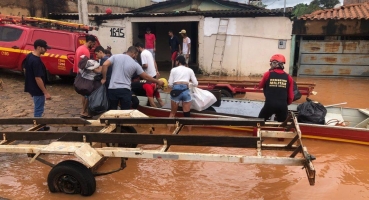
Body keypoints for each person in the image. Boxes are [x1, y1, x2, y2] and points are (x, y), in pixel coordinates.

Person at [101, 46, 164, 110]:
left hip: (113, 89)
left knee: (112, 111)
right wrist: (158, 81)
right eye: (136, 55)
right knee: (125, 112)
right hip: (125, 90)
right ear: (134, 54)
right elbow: (146, 77)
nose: (136, 57)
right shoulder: (135, 64)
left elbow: (105, 65)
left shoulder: (115, 56)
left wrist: (104, 78)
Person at [256, 54, 294, 122]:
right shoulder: (289, 77)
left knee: (259, 122)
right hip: (282, 106)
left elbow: (260, 86)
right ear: (282, 64)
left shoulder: (267, 74)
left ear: (273, 64)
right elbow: (291, 96)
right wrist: (285, 104)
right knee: (283, 125)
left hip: (269, 104)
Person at [24, 39, 52, 130]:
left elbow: (25, 69)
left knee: (38, 107)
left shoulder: (29, 56)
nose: (46, 50)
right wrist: (45, 92)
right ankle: (38, 128)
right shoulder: (36, 61)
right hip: (37, 89)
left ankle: (40, 125)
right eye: (45, 48)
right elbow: (38, 78)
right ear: (39, 48)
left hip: (31, 86)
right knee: (39, 109)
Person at [168, 55, 198, 123]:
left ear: (178, 61)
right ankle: (189, 132)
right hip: (186, 91)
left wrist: (175, 87)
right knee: (187, 115)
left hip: (176, 91)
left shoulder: (173, 70)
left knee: (172, 113)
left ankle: (169, 132)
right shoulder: (190, 70)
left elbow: (170, 84)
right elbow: (196, 83)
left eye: (176, 61)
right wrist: (189, 84)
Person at [73, 35, 96, 118]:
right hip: (85, 75)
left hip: (79, 73)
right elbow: (88, 66)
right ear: (90, 42)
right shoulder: (86, 51)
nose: (93, 47)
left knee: (83, 93)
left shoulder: (80, 48)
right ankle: (84, 111)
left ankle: (84, 110)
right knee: (87, 93)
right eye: (93, 45)